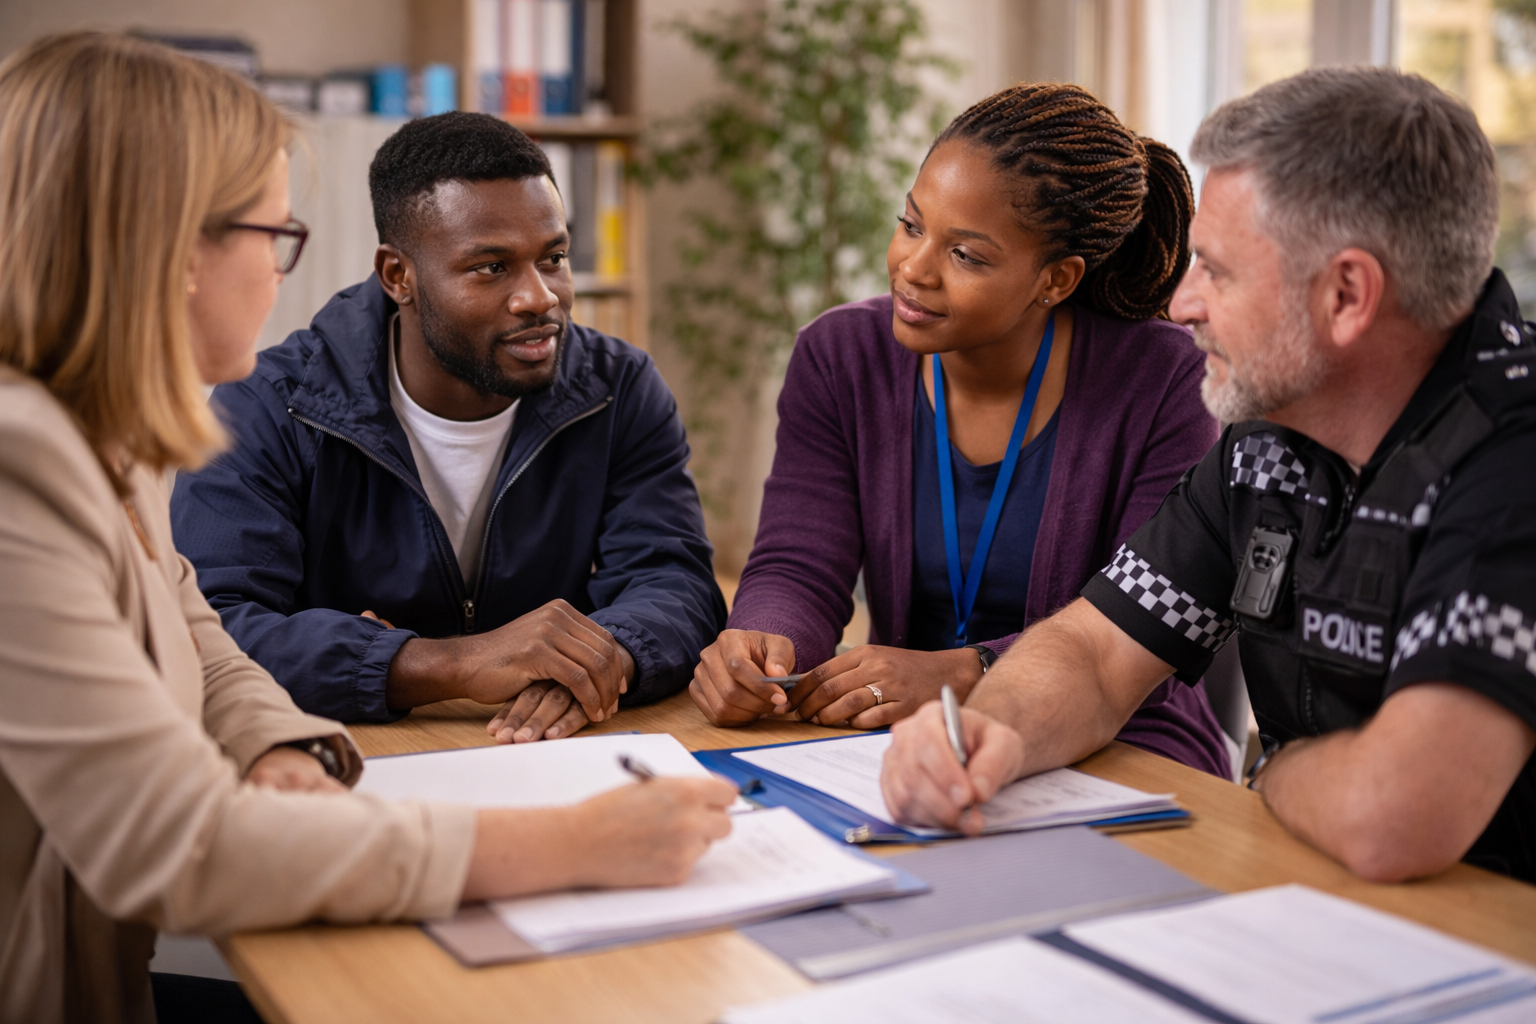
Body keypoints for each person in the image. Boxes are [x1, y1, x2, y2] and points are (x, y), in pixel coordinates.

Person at [0, 34, 734, 1024]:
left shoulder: (98, 442)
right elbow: (179, 846)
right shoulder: (21, 469)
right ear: (172, 253)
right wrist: (572, 843)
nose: (278, 274)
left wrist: (279, 752)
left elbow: (202, 646)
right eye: (274, 235)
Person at [881, 66, 1536, 884]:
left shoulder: (1515, 456)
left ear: (1346, 295)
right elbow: (1092, 652)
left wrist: (1275, 770)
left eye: (1218, 272)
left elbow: (1392, 818)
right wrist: (989, 731)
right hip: (1339, 906)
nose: (1182, 304)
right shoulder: (1270, 438)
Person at [689, 83, 1233, 778]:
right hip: (905, 741)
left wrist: (970, 671)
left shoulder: (1165, 382)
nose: (913, 270)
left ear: (1056, 280)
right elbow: (798, 561)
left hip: (1123, 745)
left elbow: (1134, 636)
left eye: (966, 256)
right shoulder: (839, 357)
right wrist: (765, 645)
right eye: (911, 225)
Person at [170, 111, 725, 745]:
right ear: (398, 276)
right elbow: (210, 628)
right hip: (348, 752)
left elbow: (675, 580)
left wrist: (599, 659)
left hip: (548, 748)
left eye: (555, 257)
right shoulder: (269, 403)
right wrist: (448, 665)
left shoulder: (618, 387)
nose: (539, 297)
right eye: (492, 267)